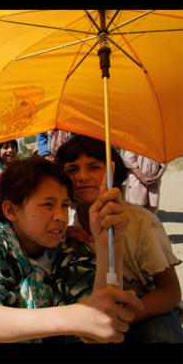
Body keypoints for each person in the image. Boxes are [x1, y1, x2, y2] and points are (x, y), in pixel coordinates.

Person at [0, 156, 143, 343]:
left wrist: (109, 246)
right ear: (11, 211)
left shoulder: (70, 248)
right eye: (48, 204)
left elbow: (102, 322)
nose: (60, 216)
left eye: (64, 205)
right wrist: (76, 317)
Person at [56, 135, 182, 342]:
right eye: (72, 170)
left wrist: (123, 317)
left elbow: (170, 292)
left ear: (113, 173)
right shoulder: (65, 220)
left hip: (143, 308)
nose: (82, 176)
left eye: (94, 167)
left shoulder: (142, 224)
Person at [123, 150, 167, 215]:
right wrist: (142, 178)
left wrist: (158, 177)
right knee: (136, 211)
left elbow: (164, 161)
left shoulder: (157, 143)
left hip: (154, 182)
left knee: (152, 211)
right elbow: (129, 160)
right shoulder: (134, 143)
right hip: (136, 181)